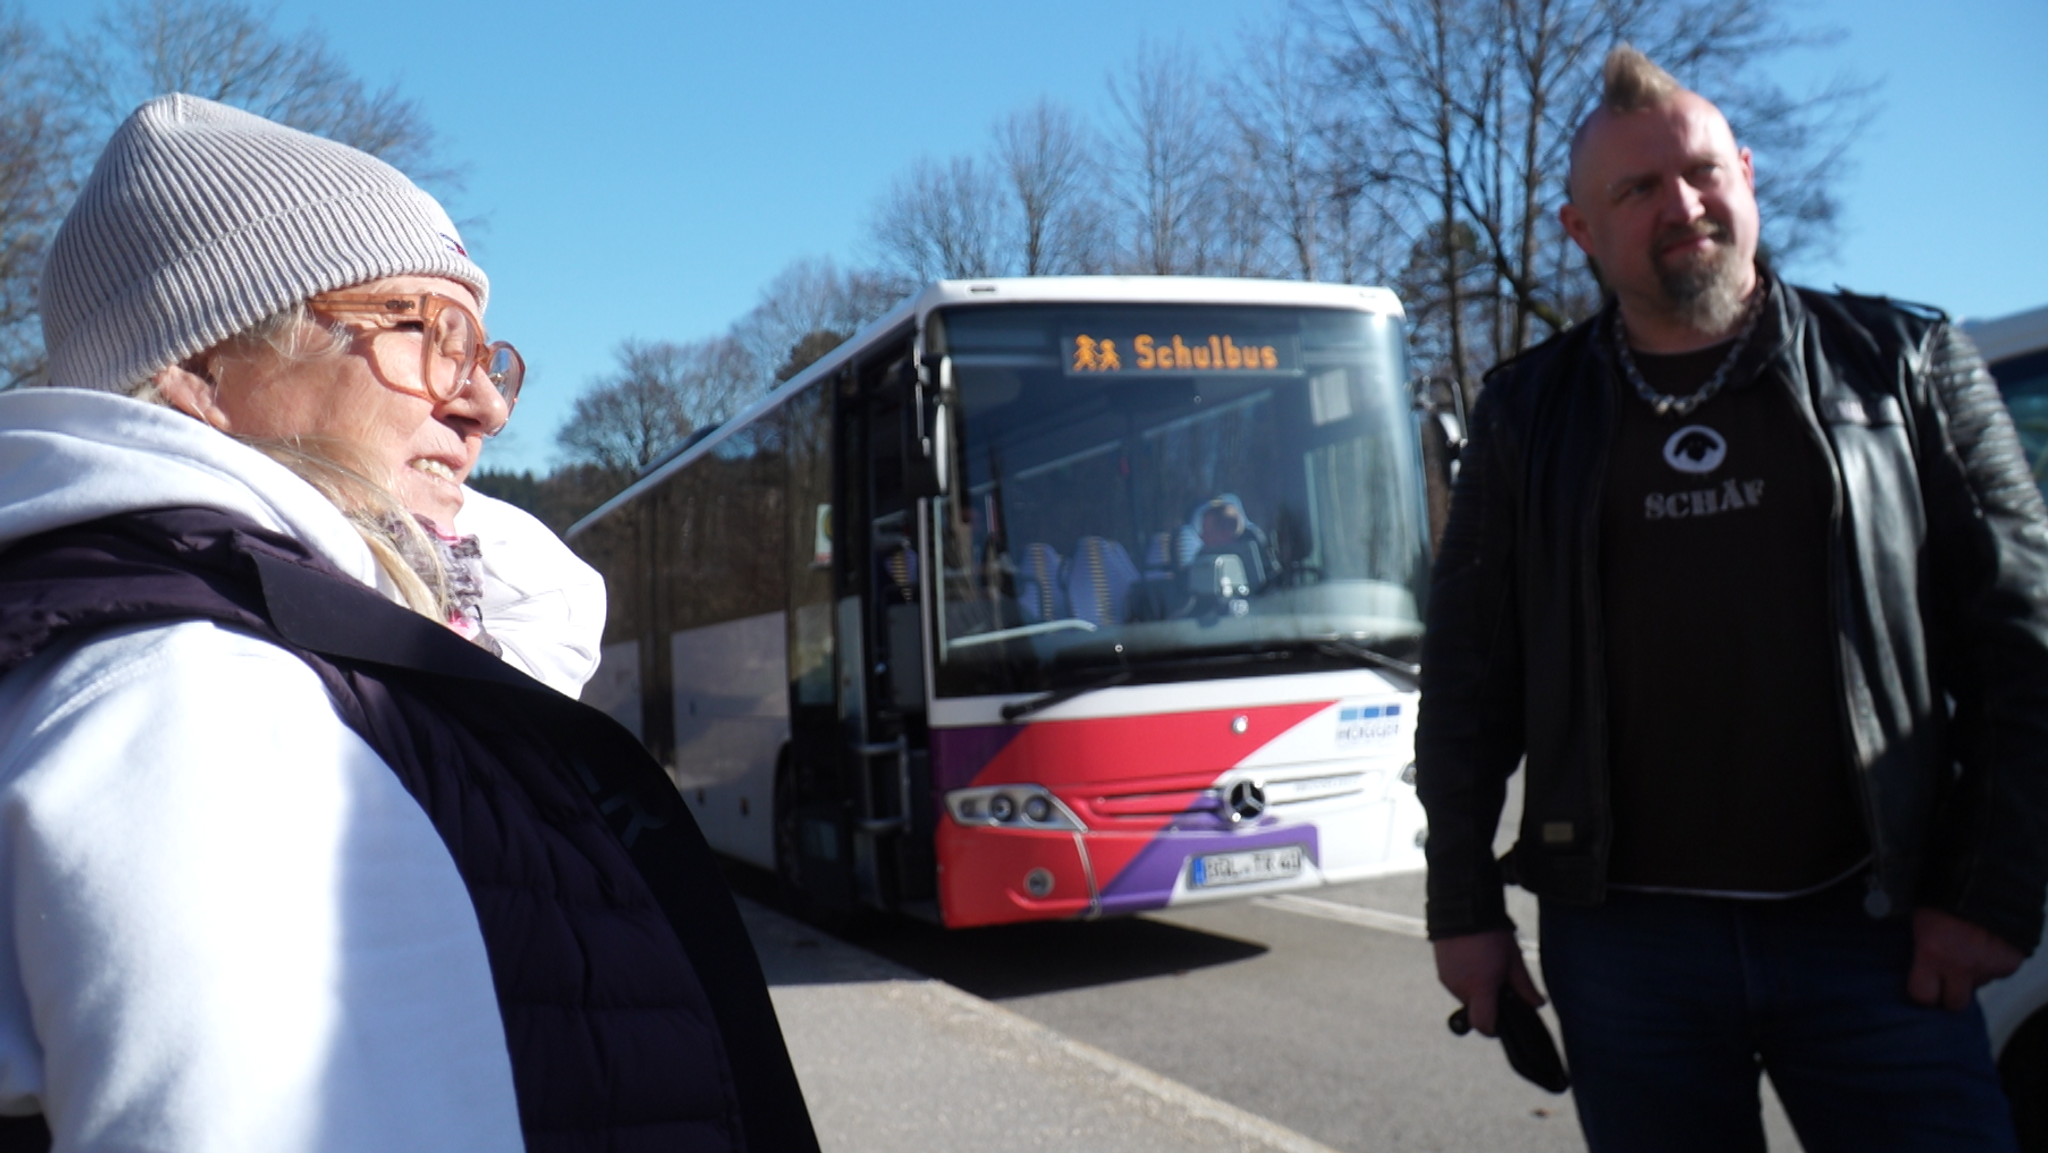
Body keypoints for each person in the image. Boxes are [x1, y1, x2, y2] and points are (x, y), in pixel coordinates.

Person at [0, 95, 815, 1152]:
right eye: (423, 335)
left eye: (483, 352)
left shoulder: (272, 668)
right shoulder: (209, 713)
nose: (484, 403)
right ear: (205, 369)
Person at [1416, 44, 2048, 1152]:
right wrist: (1462, 910)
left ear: (1746, 176)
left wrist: (1988, 887)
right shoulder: (1524, 418)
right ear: (1580, 230)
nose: (1683, 204)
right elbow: (1468, 681)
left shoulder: (1906, 365)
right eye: (1637, 188)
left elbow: (2021, 642)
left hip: (1877, 926)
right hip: (1625, 946)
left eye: (1702, 171)